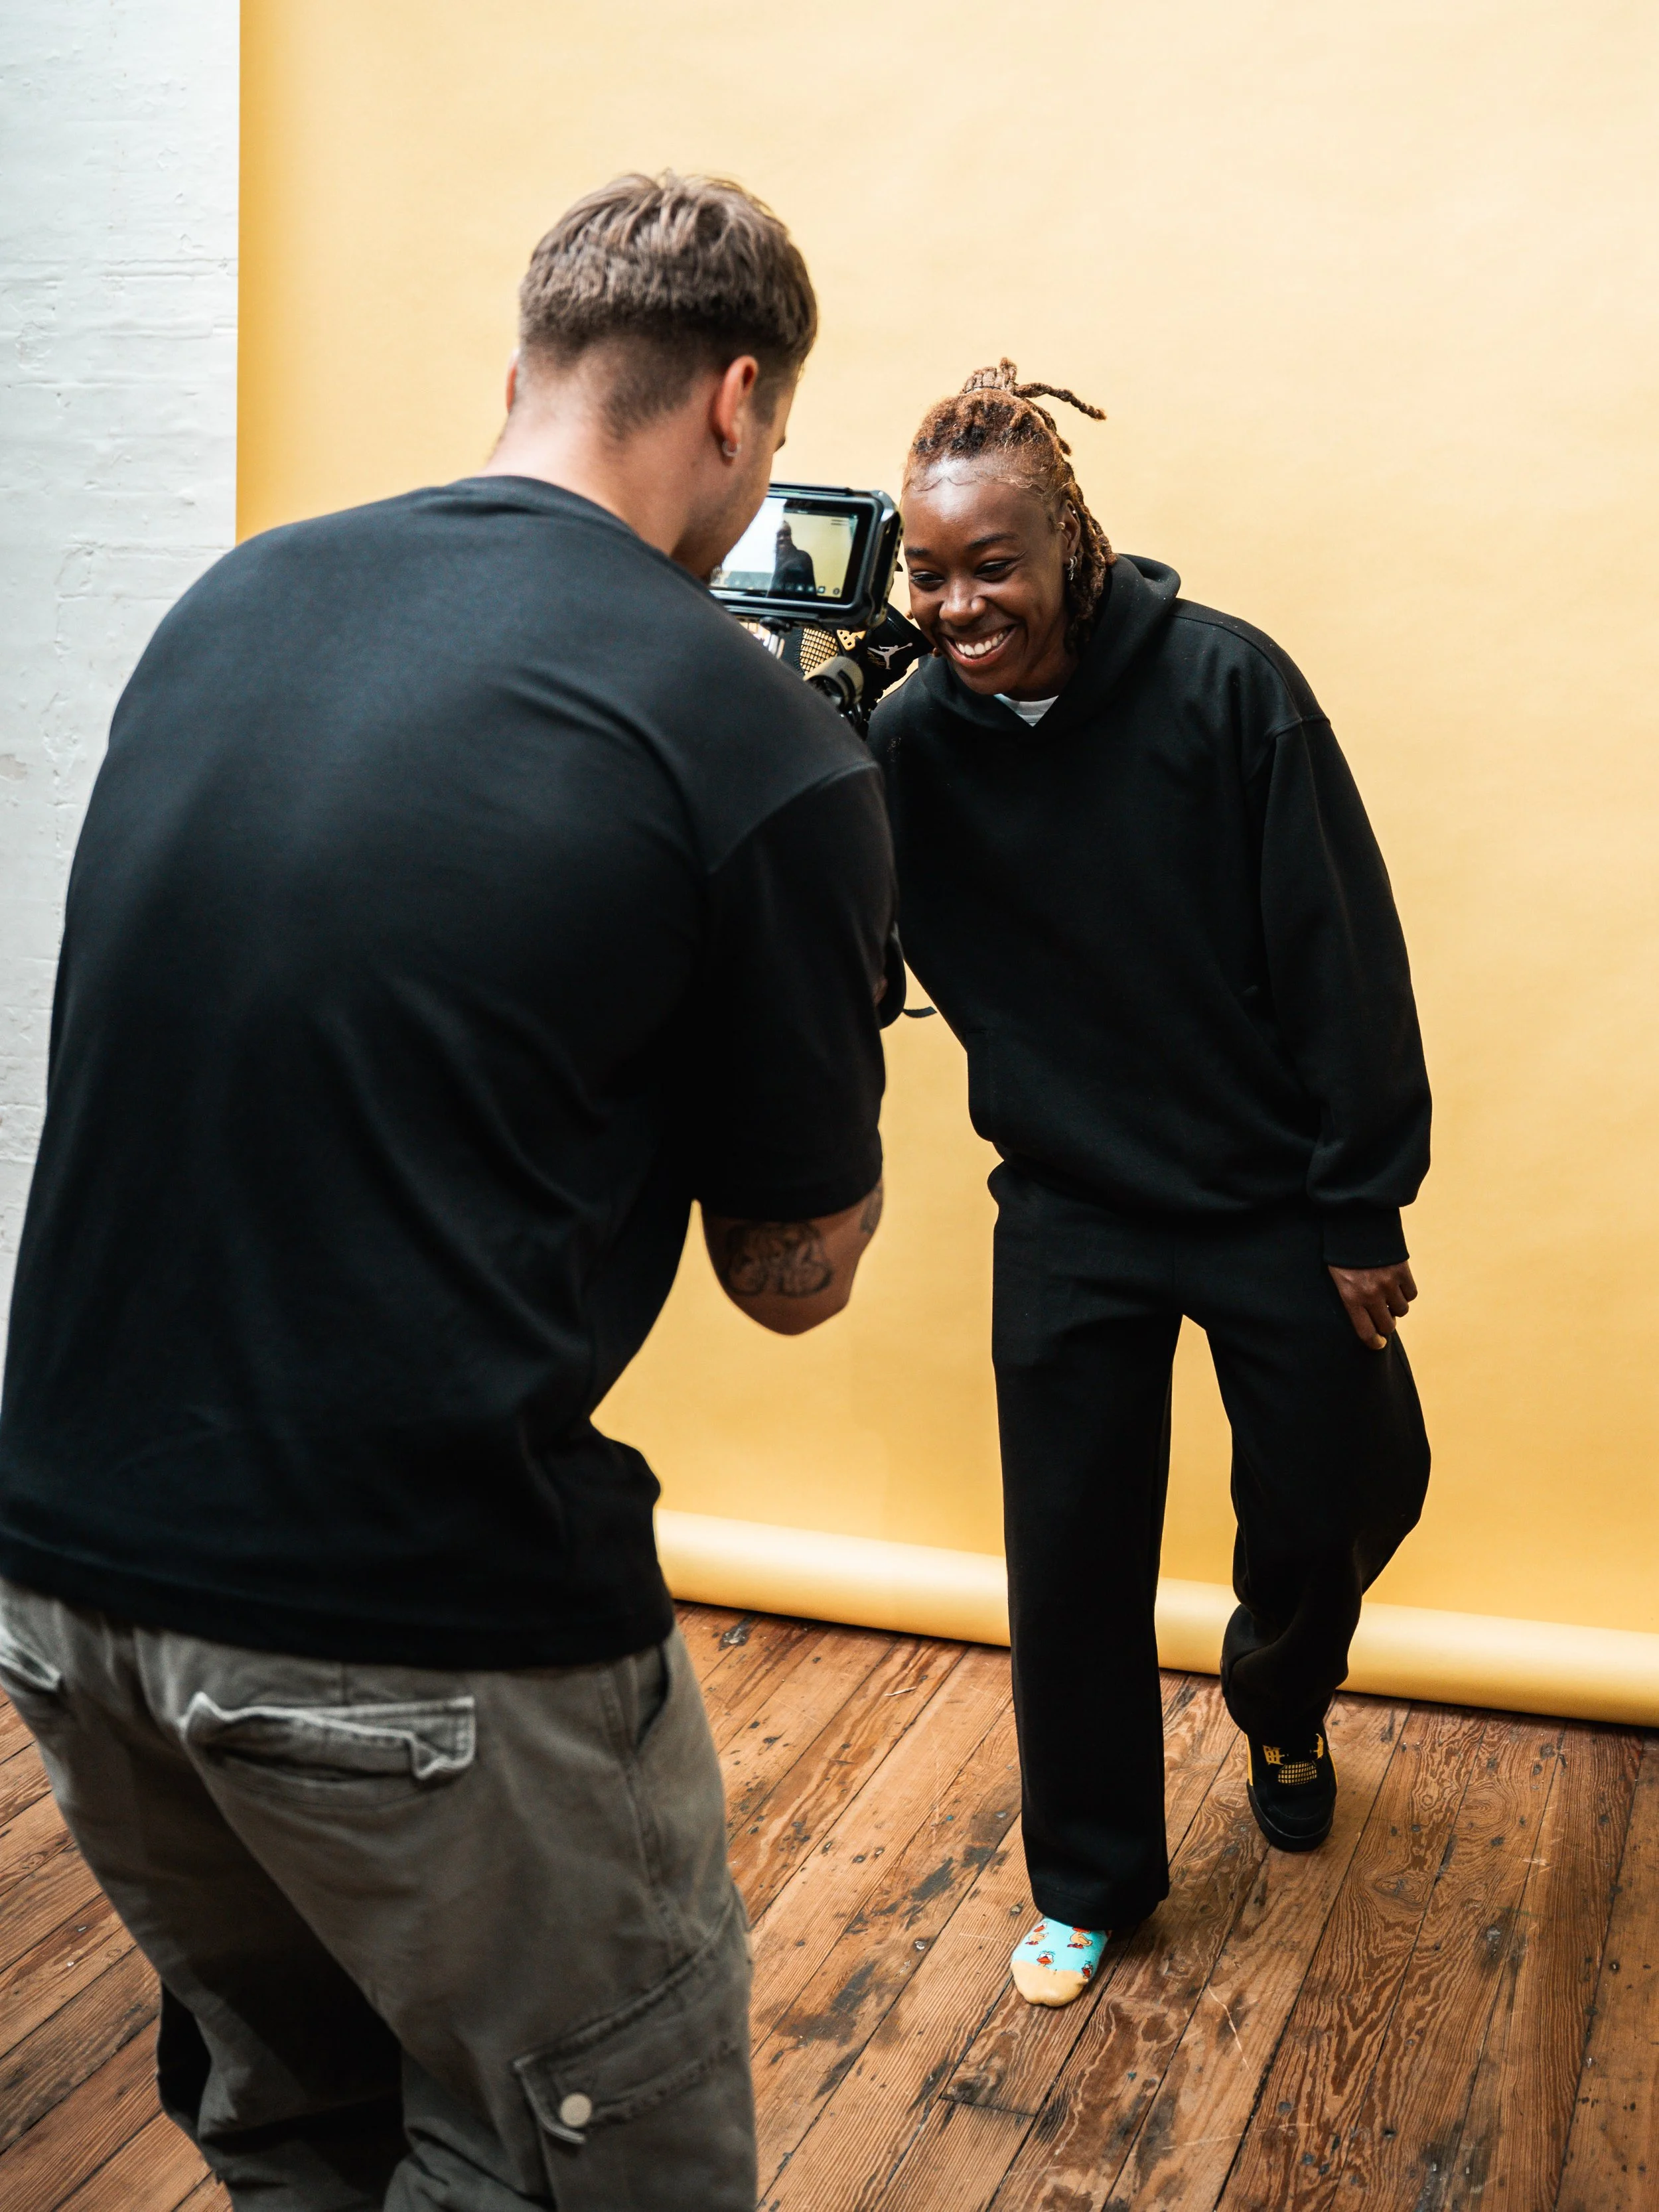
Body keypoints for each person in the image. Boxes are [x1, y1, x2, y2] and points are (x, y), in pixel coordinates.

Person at [0, 173, 895, 2207]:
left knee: (295, 2130)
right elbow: (789, 1271)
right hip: (410, 1619)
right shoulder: (752, 739)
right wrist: (828, 980)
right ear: (739, 407)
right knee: (580, 2166)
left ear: (519, 373)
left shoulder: (231, 599)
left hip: (67, 1581)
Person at [869, 361, 1431, 2009]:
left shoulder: (1229, 690)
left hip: (1270, 1195)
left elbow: (1345, 962)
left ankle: (1278, 1694)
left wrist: (1363, 1204)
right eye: (927, 572)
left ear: (1070, 547)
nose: (959, 605)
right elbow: (853, 949)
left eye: (992, 565)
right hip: (1069, 1205)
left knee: (1351, 1490)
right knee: (1072, 1554)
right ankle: (1092, 1878)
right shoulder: (908, 738)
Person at [769, 518, 817, 595]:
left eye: (787, 534)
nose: (782, 538)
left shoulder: (803, 557)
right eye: (779, 535)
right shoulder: (773, 558)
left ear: (791, 536)